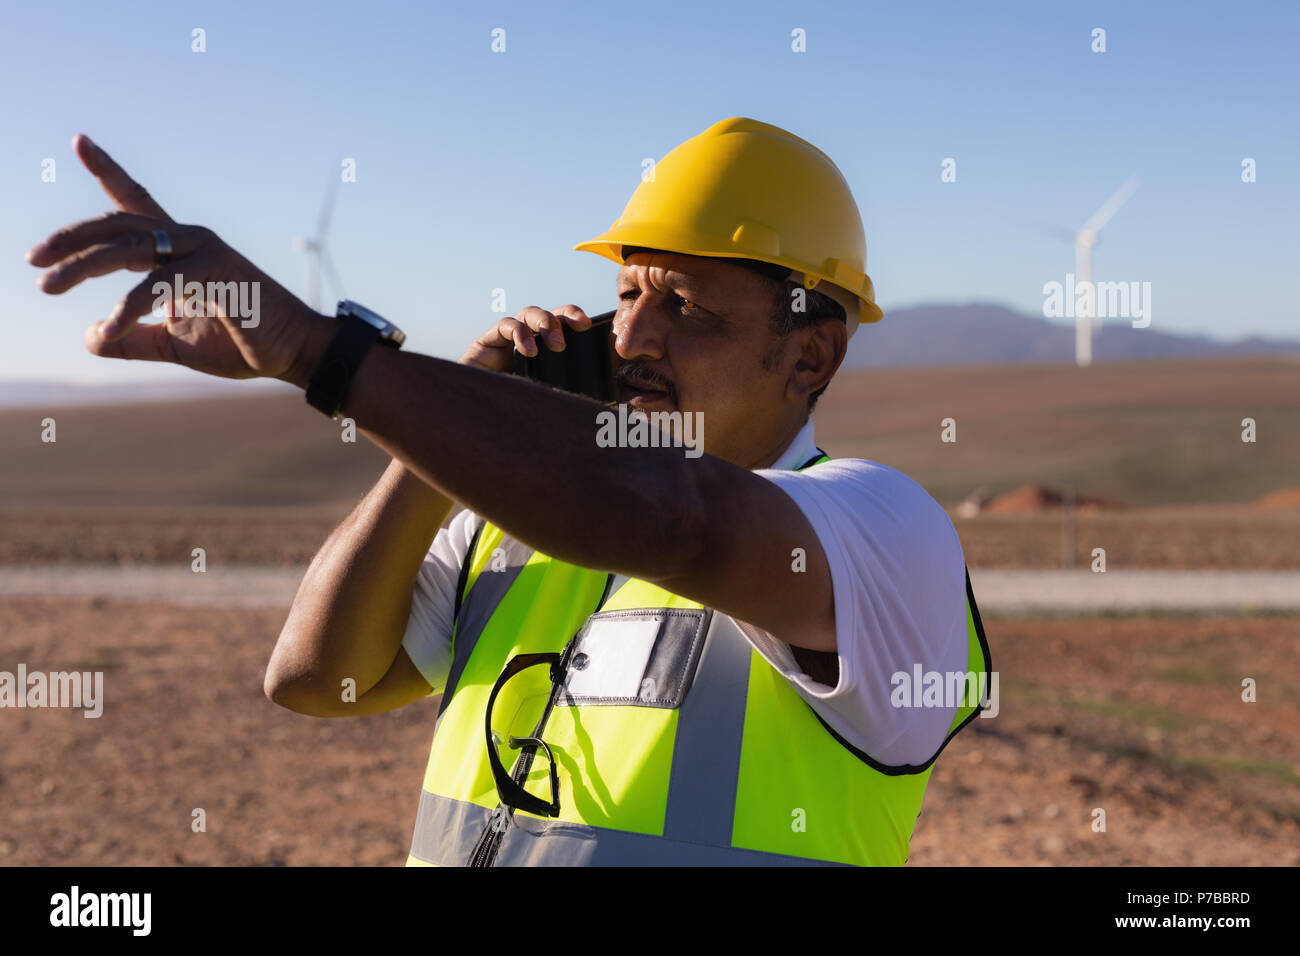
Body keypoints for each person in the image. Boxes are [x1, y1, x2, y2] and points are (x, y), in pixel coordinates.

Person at [28, 117, 989, 866]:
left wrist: (327, 356)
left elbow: (679, 521)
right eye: (627, 296)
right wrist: (451, 432)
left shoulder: (880, 530)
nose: (631, 341)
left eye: (686, 308)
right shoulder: (509, 529)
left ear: (811, 354)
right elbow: (316, 679)